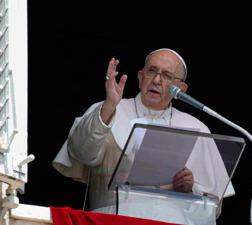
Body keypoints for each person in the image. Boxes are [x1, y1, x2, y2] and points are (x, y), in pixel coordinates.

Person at [53, 49, 234, 213]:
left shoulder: (197, 128)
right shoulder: (108, 110)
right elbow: (81, 153)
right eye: (152, 71)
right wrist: (109, 106)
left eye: (166, 76)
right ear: (140, 77)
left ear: (180, 89)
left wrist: (190, 189)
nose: (156, 80)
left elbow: (213, 211)